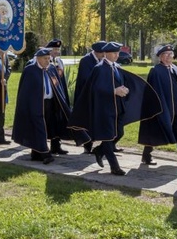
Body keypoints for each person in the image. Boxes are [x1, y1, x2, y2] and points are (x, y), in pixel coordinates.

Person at [69, 42, 161, 176]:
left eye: (118, 53)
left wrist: (124, 89)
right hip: (105, 108)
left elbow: (120, 82)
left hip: (118, 107)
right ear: (106, 54)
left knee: (119, 133)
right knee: (107, 137)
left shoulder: (116, 66)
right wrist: (113, 91)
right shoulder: (99, 68)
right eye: (114, 53)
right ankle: (114, 167)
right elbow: (95, 89)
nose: (117, 55)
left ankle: (99, 151)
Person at [12, 48, 72, 164]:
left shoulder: (51, 69)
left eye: (48, 59)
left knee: (46, 128)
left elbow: (56, 85)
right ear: (38, 59)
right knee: (39, 128)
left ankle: (35, 153)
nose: (47, 61)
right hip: (36, 104)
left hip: (50, 104)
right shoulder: (30, 70)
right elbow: (25, 92)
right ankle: (45, 153)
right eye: (45, 59)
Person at [140, 45, 177, 165]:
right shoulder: (156, 71)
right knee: (156, 132)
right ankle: (146, 155)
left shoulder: (175, 69)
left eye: (170, 54)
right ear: (160, 57)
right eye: (165, 55)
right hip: (163, 109)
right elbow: (152, 92)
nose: (168, 57)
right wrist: (158, 108)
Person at [72, 41, 106, 154]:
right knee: (88, 121)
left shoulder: (103, 60)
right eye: (102, 53)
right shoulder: (86, 61)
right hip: (87, 96)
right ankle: (88, 145)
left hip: (99, 96)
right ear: (96, 52)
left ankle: (107, 145)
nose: (104, 55)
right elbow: (86, 79)